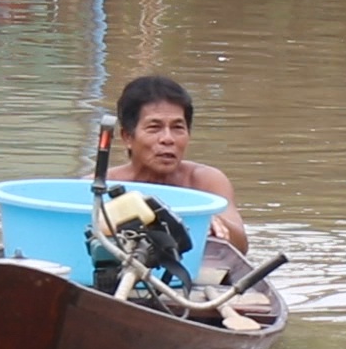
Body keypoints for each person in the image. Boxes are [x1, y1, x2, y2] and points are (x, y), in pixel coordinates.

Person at [105, 75, 248, 253]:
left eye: (177, 128)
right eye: (154, 128)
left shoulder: (205, 181)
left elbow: (241, 245)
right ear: (127, 137)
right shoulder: (100, 186)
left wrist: (205, 221)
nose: (168, 139)